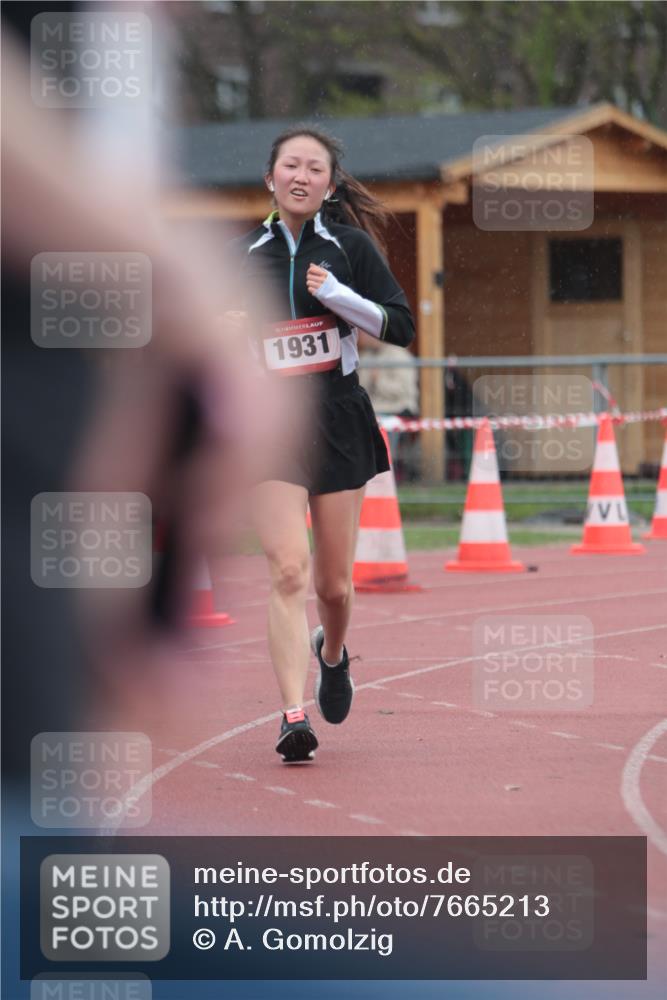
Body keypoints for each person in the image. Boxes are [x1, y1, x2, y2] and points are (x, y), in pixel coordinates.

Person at [227, 125, 415, 763]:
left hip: (337, 417)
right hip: (271, 422)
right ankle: (291, 714)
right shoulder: (242, 254)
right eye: (290, 166)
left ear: (330, 184)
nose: (301, 176)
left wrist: (338, 297)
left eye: (314, 168)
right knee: (287, 570)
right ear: (270, 178)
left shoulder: (350, 247)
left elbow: (402, 326)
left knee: (333, 587)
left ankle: (332, 655)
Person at [358, 330, 420, 482]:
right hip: (374, 410)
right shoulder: (365, 355)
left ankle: (384, 475)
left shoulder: (399, 355)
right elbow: (360, 386)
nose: (361, 336)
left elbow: (403, 390)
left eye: (365, 332)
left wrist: (379, 380)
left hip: (397, 409)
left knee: (383, 433)